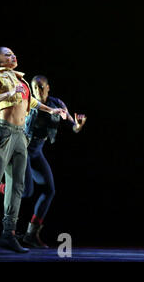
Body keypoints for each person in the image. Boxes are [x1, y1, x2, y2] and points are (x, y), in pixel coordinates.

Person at [0, 47, 66, 253]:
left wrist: (53, 110)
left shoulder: (22, 81)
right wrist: (9, 93)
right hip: (6, 133)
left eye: (13, 53)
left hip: (24, 141)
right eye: (7, 54)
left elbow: (32, 102)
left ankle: (11, 234)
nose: (12, 56)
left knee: (20, 188)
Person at [21, 75, 86, 248]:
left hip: (36, 153)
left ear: (48, 87)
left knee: (49, 190)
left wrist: (78, 126)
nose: (38, 91)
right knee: (27, 191)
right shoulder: (28, 103)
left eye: (41, 87)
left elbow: (73, 126)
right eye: (35, 88)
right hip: (22, 151)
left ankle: (31, 235)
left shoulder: (57, 103)